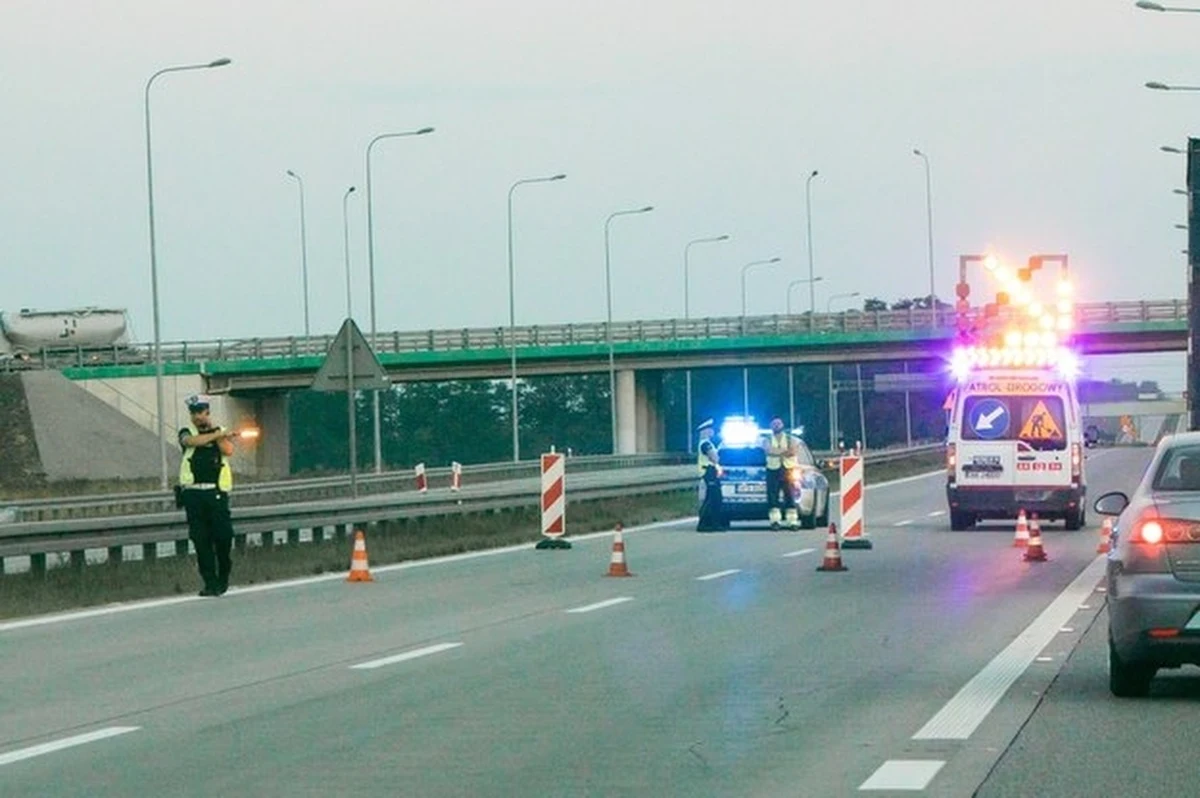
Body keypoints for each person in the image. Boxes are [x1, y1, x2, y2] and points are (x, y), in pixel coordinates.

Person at [178, 394, 241, 597]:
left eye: (201, 413)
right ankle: (210, 583)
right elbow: (190, 442)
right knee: (201, 541)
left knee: (223, 538)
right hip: (193, 495)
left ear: (208, 413)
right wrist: (216, 434)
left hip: (215, 494)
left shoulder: (220, 432)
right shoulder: (188, 432)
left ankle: (223, 578)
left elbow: (228, 450)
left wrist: (217, 433)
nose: (197, 417)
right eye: (194, 413)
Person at [763, 416, 800, 529]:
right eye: (774, 424)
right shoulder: (767, 439)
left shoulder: (790, 439)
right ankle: (775, 521)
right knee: (772, 496)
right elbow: (768, 451)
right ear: (770, 426)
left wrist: (777, 452)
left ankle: (792, 521)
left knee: (790, 495)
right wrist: (784, 451)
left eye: (778, 423)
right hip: (773, 470)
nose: (776, 426)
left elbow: (793, 451)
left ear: (782, 425)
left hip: (788, 469)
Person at [696, 418, 726, 531]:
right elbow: (714, 458)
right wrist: (717, 457)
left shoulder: (708, 443)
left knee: (713, 499)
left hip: (710, 472)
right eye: (710, 429)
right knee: (712, 500)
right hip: (709, 472)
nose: (712, 431)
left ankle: (713, 523)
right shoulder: (706, 444)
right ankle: (706, 524)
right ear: (705, 431)